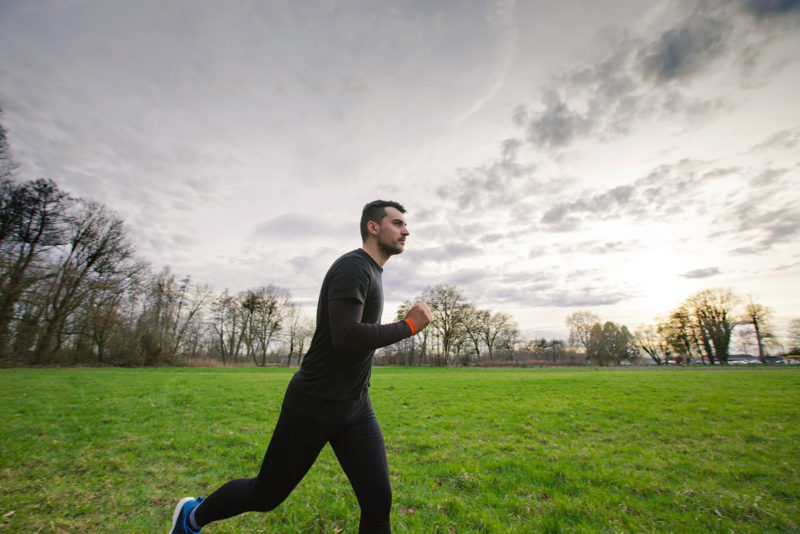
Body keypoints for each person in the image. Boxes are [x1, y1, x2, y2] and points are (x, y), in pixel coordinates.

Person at [168, 200, 433, 534]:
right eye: (397, 223)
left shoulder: (373, 272)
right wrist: (408, 326)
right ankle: (191, 517)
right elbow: (346, 336)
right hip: (314, 404)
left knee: (378, 501)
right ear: (373, 227)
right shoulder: (353, 267)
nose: (406, 230)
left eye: (405, 225)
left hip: (355, 407)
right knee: (265, 495)